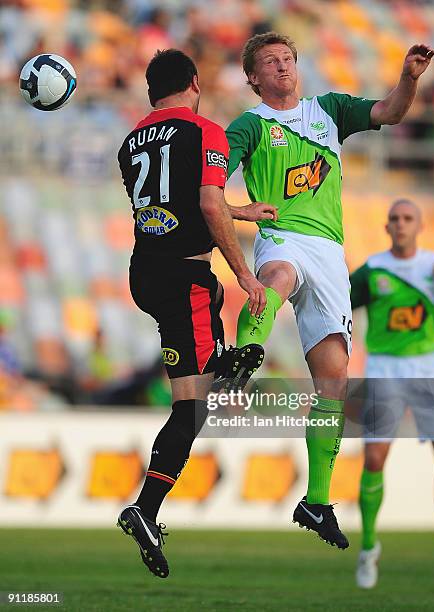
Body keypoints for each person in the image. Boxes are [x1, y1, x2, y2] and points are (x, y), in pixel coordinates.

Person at [224, 31, 434, 549]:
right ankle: (241, 356)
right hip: (282, 235)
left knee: (334, 384)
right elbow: (208, 192)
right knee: (277, 278)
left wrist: (408, 79)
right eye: (270, 62)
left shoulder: (330, 110)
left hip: (331, 253)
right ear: (253, 77)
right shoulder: (249, 126)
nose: (282, 67)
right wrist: (240, 210)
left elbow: (391, 111)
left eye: (288, 59)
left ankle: (316, 500)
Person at [116, 49, 275, 578]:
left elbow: (175, 200)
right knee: (194, 406)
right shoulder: (205, 130)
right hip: (186, 277)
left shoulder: (130, 142)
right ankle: (145, 509)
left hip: (146, 271)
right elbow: (205, 204)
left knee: (203, 390)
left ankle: (147, 511)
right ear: (194, 83)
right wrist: (247, 275)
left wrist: (240, 210)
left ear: (150, 92)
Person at [351, 199, 434, 588]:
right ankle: (369, 549)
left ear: (420, 225)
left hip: (429, 366)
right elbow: (340, 303)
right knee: (374, 457)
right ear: (386, 226)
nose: (401, 224)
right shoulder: (372, 269)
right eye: (394, 218)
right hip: (385, 367)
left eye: (408, 218)